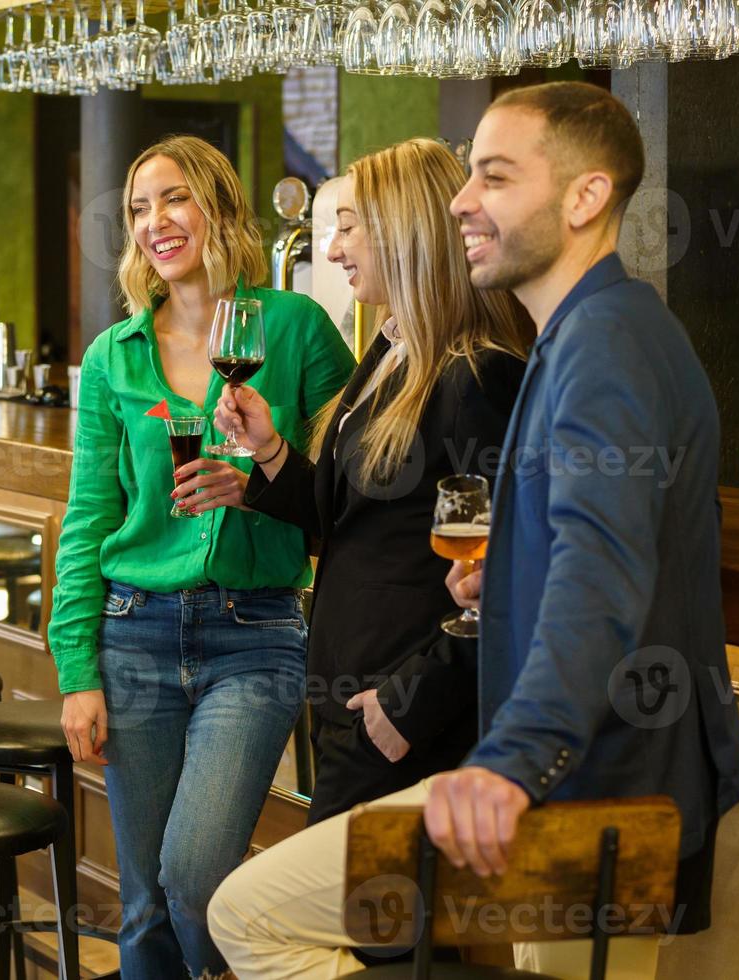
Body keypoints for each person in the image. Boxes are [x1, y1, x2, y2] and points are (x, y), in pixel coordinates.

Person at [209, 82, 739, 980]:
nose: (462, 201)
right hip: (577, 776)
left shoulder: (602, 347)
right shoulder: (586, 333)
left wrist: (506, 763)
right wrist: (504, 572)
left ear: (585, 197)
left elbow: (601, 583)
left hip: (590, 783)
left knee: (251, 913)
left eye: (495, 178)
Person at [49, 134, 356, 979]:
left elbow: (357, 480)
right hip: (132, 633)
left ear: (219, 209)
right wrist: (76, 668)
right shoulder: (116, 355)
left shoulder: (295, 328)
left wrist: (262, 471)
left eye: (174, 199)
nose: (155, 222)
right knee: (144, 901)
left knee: (195, 875)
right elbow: (86, 519)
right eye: (139, 208)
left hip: (254, 635)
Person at [211, 137, 530, 827]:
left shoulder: (478, 374)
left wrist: (409, 702)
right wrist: (268, 451)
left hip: (397, 713)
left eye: (348, 228)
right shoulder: (391, 349)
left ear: (406, 230)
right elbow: (346, 522)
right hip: (347, 698)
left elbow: (514, 574)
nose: (331, 252)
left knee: (338, 925)